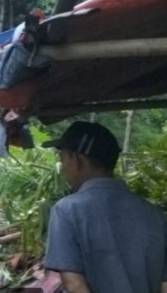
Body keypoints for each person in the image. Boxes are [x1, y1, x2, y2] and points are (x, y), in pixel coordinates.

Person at [42, 121, 167, 293]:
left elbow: (75, 285)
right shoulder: (156, 215)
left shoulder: (67, 210)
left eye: (63, 159)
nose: (62, 168)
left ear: (76, 160)